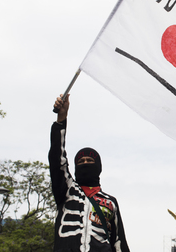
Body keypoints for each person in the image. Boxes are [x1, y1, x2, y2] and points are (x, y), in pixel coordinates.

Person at [49, 94, 130, 252]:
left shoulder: (110, 202)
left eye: (90, 161)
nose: (85, 163)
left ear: (98, 167)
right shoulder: (67, 190)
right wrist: (61, 118)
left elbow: (119, 241)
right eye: (81, 161)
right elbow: (56, 160)